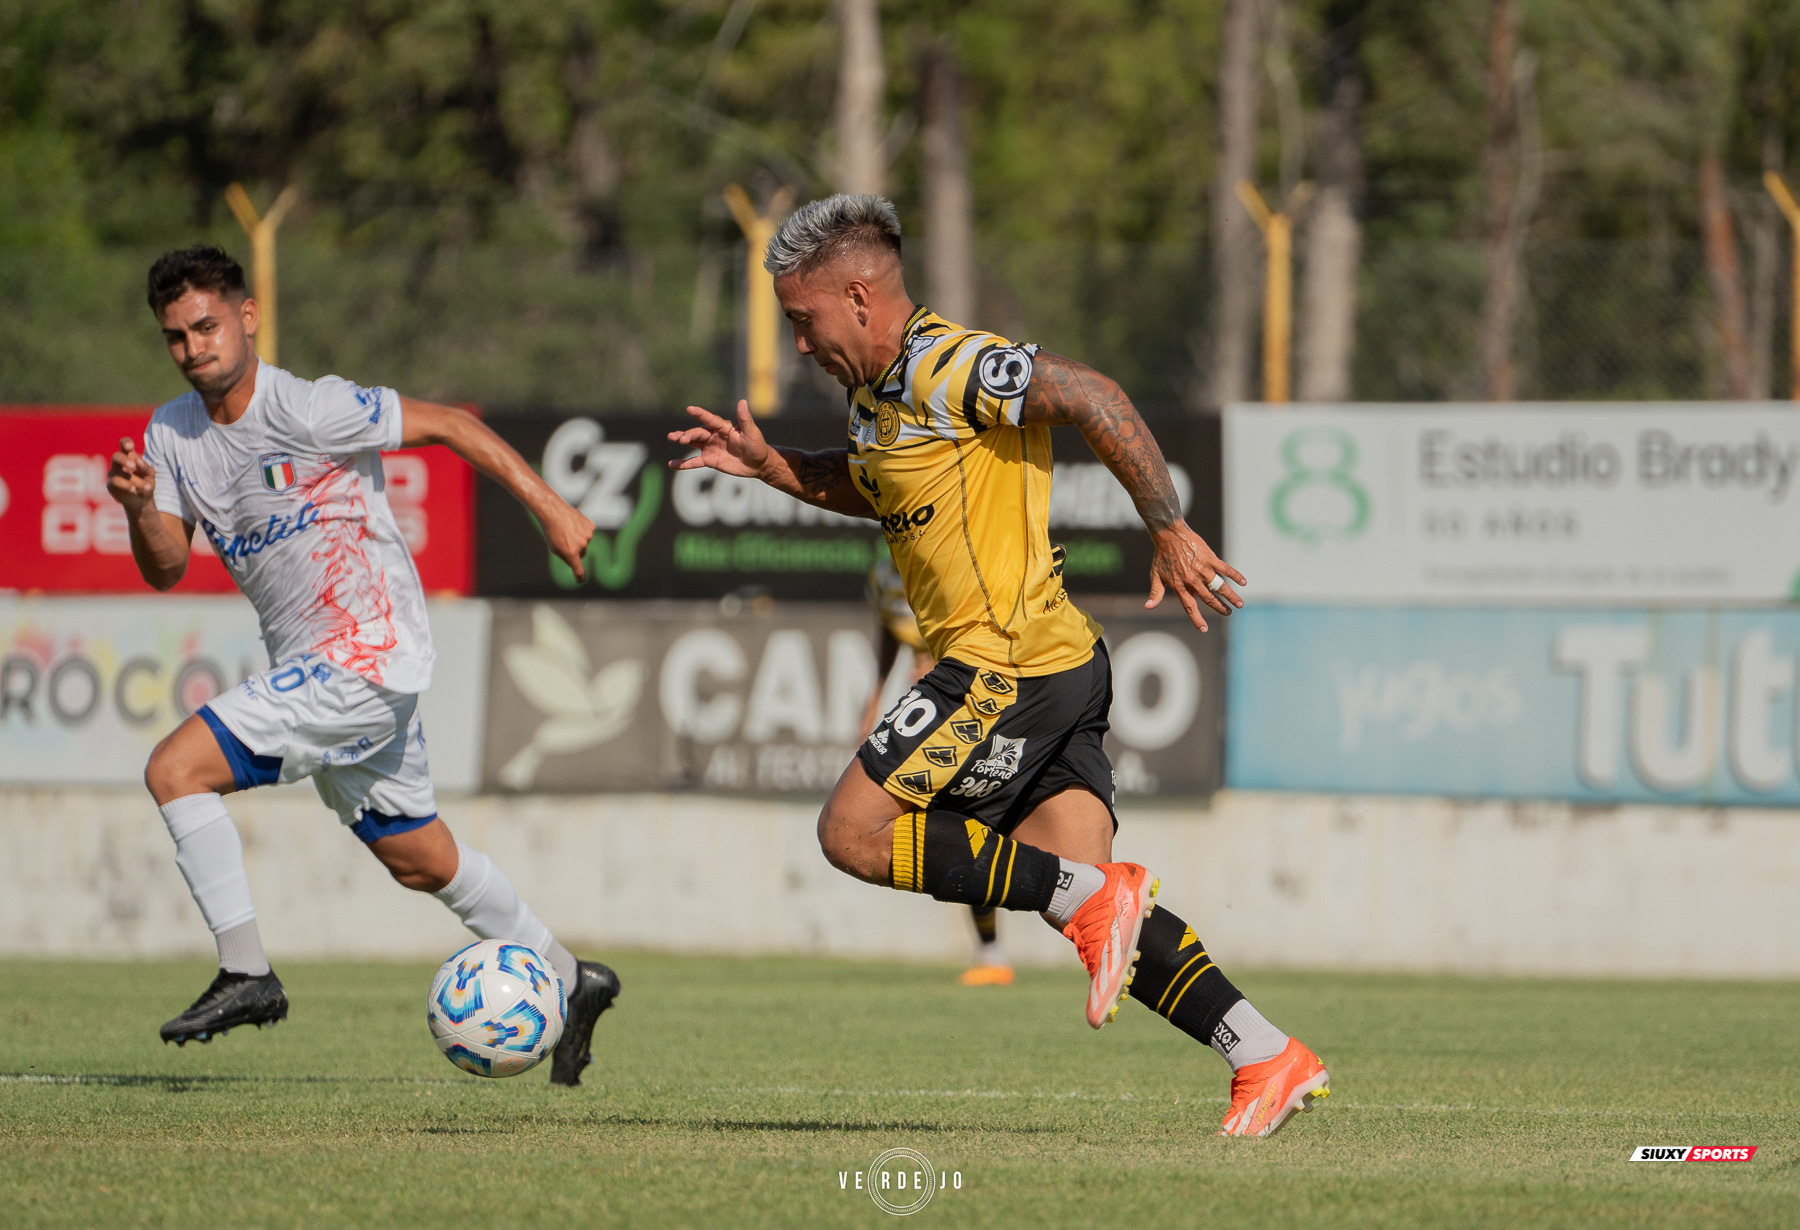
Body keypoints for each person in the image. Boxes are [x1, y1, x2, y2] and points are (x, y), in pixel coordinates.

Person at [670, 195, 1329, 1137]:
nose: (799, 343)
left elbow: (1096, 397)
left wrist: (1169, 527)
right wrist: (779, 468)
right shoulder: (877, 391)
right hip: (1057, 665)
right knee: (1083, 899)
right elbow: (879, 485)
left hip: (1001, 668)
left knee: (853, 833)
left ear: (858, 296)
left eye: (801, 321)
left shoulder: (951, 364)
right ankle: (1265, 1053)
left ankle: (1104, 900)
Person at [107, 245, 619, 1086]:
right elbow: (165, 564)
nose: (194, 348)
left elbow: (454, 425)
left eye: (206, 326)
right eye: (175, 336)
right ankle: (571, 976)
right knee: (417, 857)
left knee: (175, 770)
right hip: (324, 668)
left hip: (367, 653)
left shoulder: (312, 409)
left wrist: (554, 510)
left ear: (247, 317)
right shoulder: (172, 434)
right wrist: (138, 510)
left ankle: (247, 972)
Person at [861, 557, 1013, 987]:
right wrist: (873, 699)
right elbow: (891, 638)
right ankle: (990, 951)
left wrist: (946, 672)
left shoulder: (954, 556)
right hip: (942, 702)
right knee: (963, 824)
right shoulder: (884, 576)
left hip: (981, 693)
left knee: (1000, 826)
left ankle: (1100, 915)